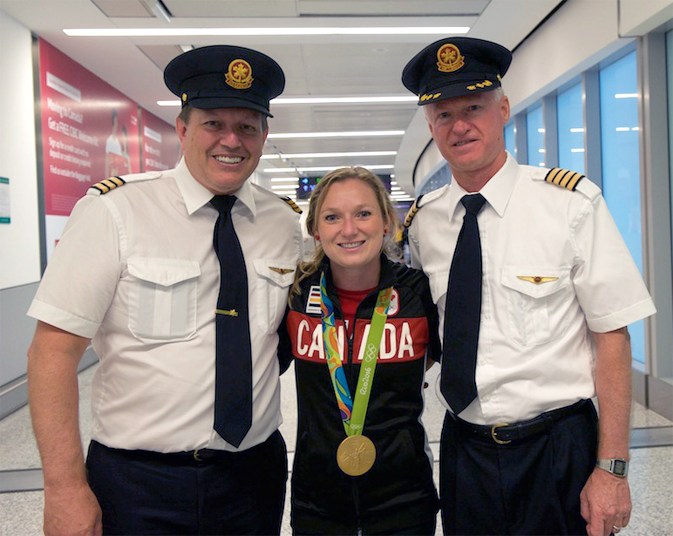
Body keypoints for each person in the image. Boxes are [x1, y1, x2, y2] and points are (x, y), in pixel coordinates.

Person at [27, 45, 302, 536]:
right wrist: (64, 487)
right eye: (213, 123)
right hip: (139, 483)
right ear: (182, 128)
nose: (231, 140)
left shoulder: (283, 224)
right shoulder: (116, 211)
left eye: (247, 126)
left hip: (253, 476)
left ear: (265, 134)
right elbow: (53, 351)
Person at [401, 37, 656, 536]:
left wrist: (613, 468)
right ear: (431, 127)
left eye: (473, 108)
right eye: (443, 115)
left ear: (503, 110)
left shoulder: (570, 205)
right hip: (463, 449)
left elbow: (612, 337)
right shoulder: (424, 223)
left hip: (557, 448)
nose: (459, 125)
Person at [279, 167, 441, 535]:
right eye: (333, 217)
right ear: (315, 230)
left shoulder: (419, 293)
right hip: (316, 501)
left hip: (404, 498)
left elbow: (442, 354)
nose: (349, 230)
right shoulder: (296, 295)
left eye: (363, 214)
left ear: (386, 222)